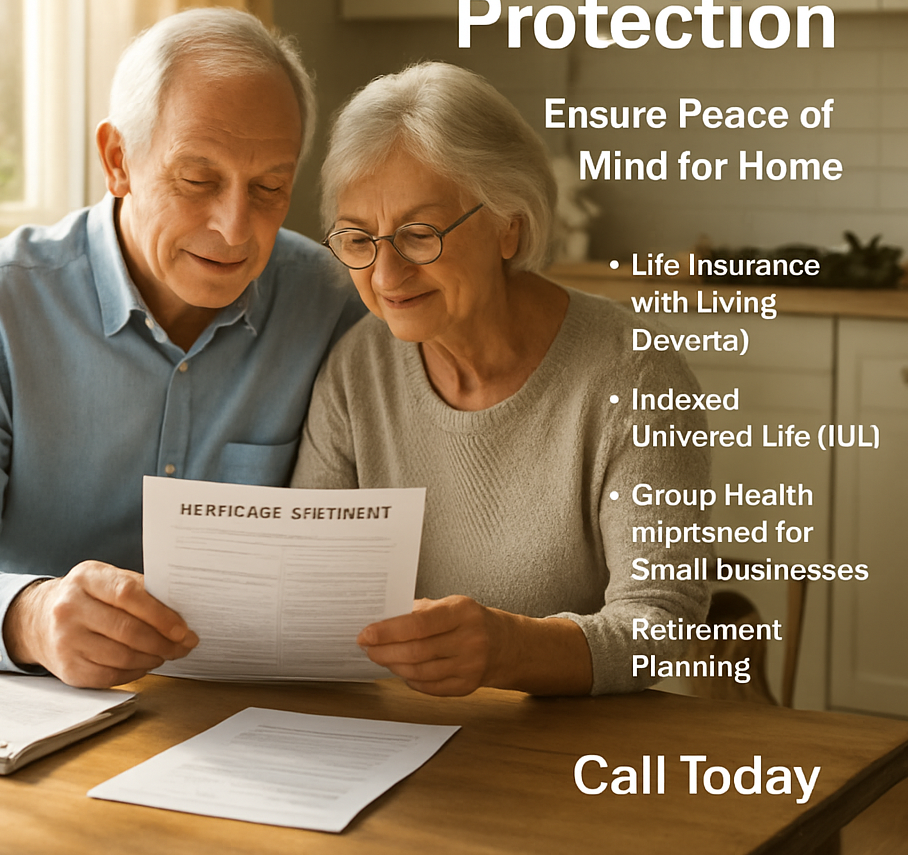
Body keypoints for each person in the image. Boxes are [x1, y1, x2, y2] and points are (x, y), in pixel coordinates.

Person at [0, 8, 365, 688]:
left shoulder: (329, 303)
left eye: (270, 188)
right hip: (35, 701)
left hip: (250, 710)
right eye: (198, 180)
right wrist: (31, 616)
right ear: (117, 160)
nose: (234, 228)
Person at [292, 61, 712, 697]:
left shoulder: (634, 370)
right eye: (359, 239)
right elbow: (314, 582)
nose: (385, 276)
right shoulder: (358, 369)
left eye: (419, 234)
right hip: (406, 737)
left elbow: (665, 624)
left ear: (509, 225)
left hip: (584, 752)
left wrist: (510, 651)